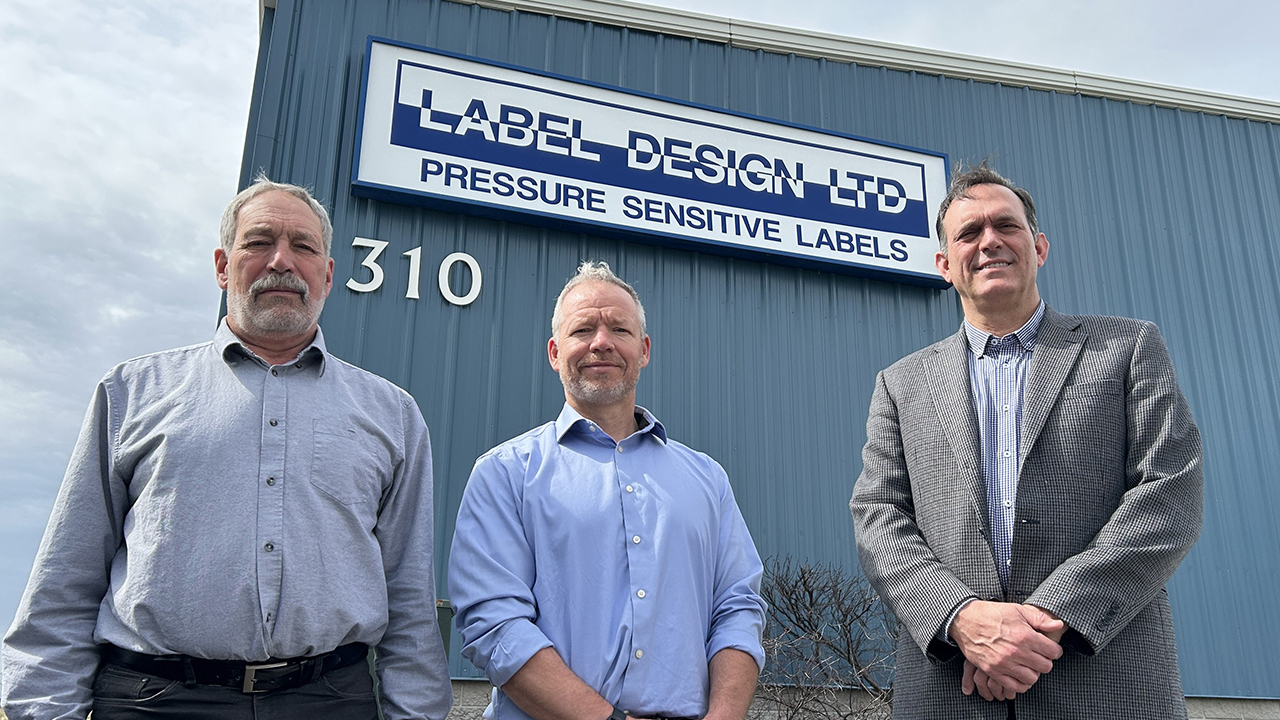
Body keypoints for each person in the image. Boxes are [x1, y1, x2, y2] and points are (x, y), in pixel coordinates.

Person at [1, 176, 452, 720]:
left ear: (328, 276)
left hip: (330, 701)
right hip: (155, 700)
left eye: (303, 246)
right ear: (222, 265)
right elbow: (65, 582)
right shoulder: (131, 393)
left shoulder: (392, 414)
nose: (281, 261)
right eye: (259, 242)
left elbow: (408, 596)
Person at [849, 163, 1202, 719]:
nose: (989, 241)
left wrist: (1045, 617)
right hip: (951, 689)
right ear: (944, 265)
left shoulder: (1128, 347)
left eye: (1005, 226)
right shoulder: (901, 384)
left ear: (1038, 246)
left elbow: (1171, 491)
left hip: (1107, 684)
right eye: (968, 233)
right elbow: (878, 516)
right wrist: (959, 617)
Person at [448, 261, 766, 720]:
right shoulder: (505, 474)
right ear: (555, 353)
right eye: (583, 330)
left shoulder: (707, 479)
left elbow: (738, 606)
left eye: (619, 328)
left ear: (644, 349)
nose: (602, 342)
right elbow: (494, 623)